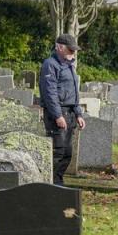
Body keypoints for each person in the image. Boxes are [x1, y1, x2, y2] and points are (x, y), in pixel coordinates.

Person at [39, 34, 86, 185]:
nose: (73, 53)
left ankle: (58, 181)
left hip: (70, 113)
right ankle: (52, 184)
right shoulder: (50, 64)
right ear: (59, 47)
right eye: (70, 50)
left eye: (74, 50)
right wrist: (58, 115)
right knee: (57, 152)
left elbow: (73, 91)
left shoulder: (68, 65)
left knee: (67, 153)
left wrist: (78, 113)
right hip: (58, 113)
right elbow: (49, 93)